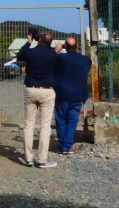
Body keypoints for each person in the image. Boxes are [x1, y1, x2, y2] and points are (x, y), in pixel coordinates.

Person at [16, 29, 57, 169]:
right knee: (45, 126)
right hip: (46, 90)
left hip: (31, 89)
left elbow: (19, 56)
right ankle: (42, 160)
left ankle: (28, 159)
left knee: (28, 125)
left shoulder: (30, 52)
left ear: (38, 40)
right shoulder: (52, 54)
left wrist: (29, 42)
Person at [53, 37, 92, 155]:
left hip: (62, 94)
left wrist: (56, 50)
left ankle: (63, 145)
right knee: (72, 121)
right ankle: (66, 145)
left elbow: (48, 60)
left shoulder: (59, 58)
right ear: (77, 46)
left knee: (61, 120)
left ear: (64, 46)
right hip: (78, 95)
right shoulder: (85, 60)